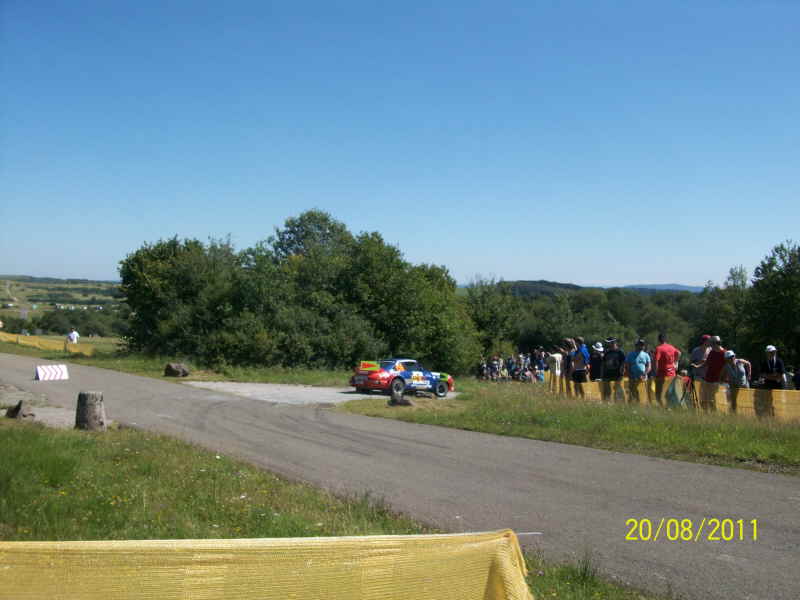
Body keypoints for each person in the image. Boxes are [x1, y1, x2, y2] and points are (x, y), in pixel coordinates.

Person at [654, 333, 682, 406]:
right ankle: (670, 407)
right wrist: (676, 363)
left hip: (662, 374)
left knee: (659, 393)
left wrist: (655, 372)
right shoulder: (671, 347)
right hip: (672, 374)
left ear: (658, 339)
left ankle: (664, 408)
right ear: (666, 339)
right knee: (669, 393)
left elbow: (656, 361)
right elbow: (679, 353)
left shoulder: (659, 348)